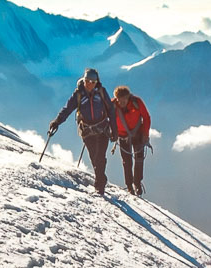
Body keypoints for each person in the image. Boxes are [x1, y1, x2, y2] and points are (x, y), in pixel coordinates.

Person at [49, 68, 116, 196]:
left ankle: (99, 185)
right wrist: (57, 121)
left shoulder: (101, 92)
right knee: (94, 157)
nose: (90, 84)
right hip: (87, 131)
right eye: (87, 81)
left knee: (100, 157)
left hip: (103, 130)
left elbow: (111, 110)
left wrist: (114, 130)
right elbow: (67, 109)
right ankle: (101, 178)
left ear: (96, 82)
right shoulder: (78, 94)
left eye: (92, 81)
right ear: (84, 80)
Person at [111, 85, 151, 195]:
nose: (121, 102)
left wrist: (145, 134)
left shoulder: (136, 102)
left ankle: (137, 183)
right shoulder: (113, 105)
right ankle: (130, 185)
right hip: (123, 136)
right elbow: (106, 117)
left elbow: (146, 117)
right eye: (119, 100)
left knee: (138, 159)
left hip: (138, 134)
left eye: (123, 100)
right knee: (127, 162)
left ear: (128, 97)